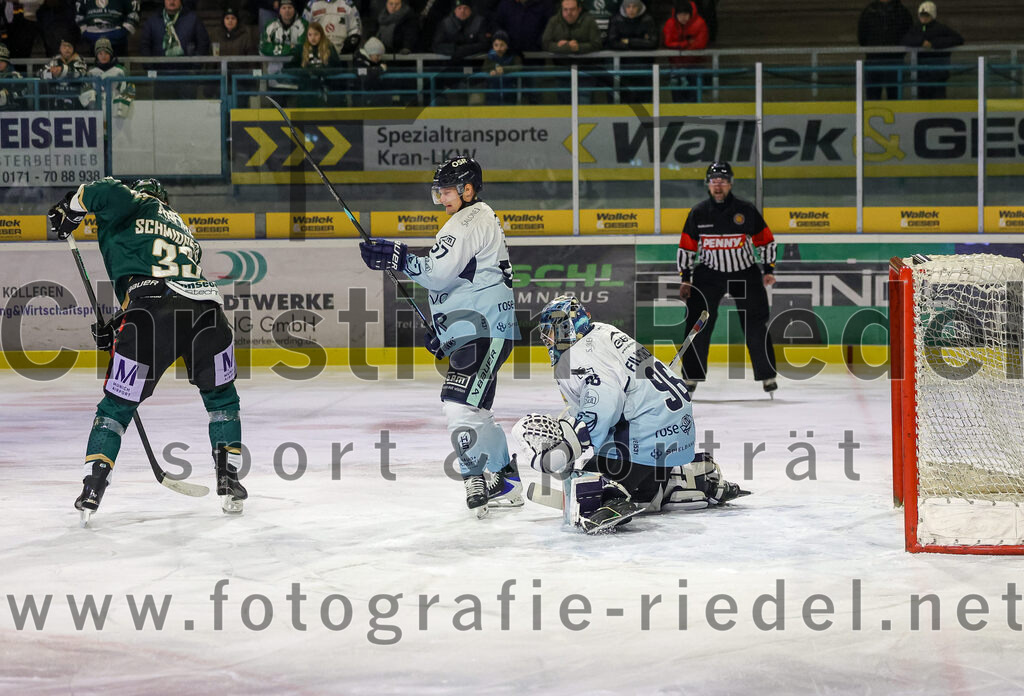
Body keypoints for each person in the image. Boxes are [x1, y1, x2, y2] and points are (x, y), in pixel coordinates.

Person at [46, 177, 247, 524]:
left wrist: (71, 208)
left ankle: (93, 486)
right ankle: (228, 478)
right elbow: (170, 282)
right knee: (222, 398)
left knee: (117, 406)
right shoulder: (184, 230)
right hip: (207, 314)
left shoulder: (136, 201)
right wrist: (121, 324)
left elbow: (104, 191)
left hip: (152, 314)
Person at [358, 158, 522, 518]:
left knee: (456, 403)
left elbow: (437, 274)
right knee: (476, 410)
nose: (442, 196)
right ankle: (506, 480)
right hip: (481, 328)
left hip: (484, 328)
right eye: (439, 190)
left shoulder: (467, 220)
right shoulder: (476, 218)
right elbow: (460, 282)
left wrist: (397, 257)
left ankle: (473, 474)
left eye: (447, 190)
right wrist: (447, 330)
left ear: (467, 189)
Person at [520, 295, 748, 532]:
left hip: (651, 429)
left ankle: (612, 496)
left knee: (591, 474)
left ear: (568, 326)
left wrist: (577, 448)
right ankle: (688, 479)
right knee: (641, 490)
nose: (546, 338)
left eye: (551, 330)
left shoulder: (577, 357)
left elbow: (603, 408)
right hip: (675, 428)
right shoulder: (601, 331)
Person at [676, 161, 778, 395]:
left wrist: (768, 269)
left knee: (755, 323)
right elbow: (686, 247)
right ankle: (691, 377)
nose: (718, 186)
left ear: (730, 184)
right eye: (714, 181)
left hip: (744, 273)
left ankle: (767, 375)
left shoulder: (746, 210)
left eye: (722, 181)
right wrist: (686, 277)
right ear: (708, 185)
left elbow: (766, 240)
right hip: (709, 274)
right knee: (697, 323)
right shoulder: (699, 212)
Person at [902, 1, 962, 99]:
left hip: (938, 72)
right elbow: (905, 39)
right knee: (922, 98)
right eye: (922, 15)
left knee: (938, 98)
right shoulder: (916, 28)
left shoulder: (940, 28)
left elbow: (958, 39)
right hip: (922, 72)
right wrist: (921, 42)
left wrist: (934, 43)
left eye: (927, 16)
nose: (924, 18)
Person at [858, 0, 913, 100]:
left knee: (894, 97)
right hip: (873, 60)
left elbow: (909, 33)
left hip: (895, 61)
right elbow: (862, 36)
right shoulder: (868, 11)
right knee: (873, 98)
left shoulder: (903, 12)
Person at [606, 0, 656, 103]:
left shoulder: (648, 20)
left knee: (644, 96)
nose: (631, 10)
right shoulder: (616, 19)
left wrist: (628, 41)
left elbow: (652, 43)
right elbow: (612, 42)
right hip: (622, 66)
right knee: (626, 97)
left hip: (644, 65)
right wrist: (641, 41)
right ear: (624, 8)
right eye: (628, 7)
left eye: (634, 7)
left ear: (639, 7)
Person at [661, 0, 707, 102]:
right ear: (676, 14)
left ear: (690, 14)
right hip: (676, 65)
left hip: (694, 65)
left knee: (693, 95)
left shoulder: (700, 23)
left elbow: (700, 44)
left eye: (685, 14)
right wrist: (686, 44)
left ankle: (694, 116)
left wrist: (678, 46)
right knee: (677, 96)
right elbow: (667, 42)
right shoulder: (670, 23)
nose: (683, 17)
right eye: (680, 14)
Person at [79, 37, 134, 117]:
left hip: (116, 112)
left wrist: (122, 106)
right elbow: (84, 90)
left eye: (106, 53)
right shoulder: (91, 71)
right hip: (96, 111)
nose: (103, 56)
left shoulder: (121, 70)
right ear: (96, 55)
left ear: (111, 54)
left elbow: (130, 89)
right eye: (100, 53)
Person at [75, 0, 139, 56]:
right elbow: (79, 14)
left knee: (118, 68)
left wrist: (123, 32)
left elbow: (133, 13)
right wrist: (85, 32)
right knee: (94, 68)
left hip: (118, 42)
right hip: (91, 41)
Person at [39, 36, 86, 110]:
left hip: (75, 97)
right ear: (60, 48)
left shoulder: (79, 60)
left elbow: (79, 74)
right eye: (64, 46)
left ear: (73, 48)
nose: (67, 49)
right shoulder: (55, 60)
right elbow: (41, 73)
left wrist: (62, 70)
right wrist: (51, 73)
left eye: (69, 46)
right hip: (57, 98)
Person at [482, 29, 521, 105]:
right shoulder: (489, 57)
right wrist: (491, 69)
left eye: (502, 45)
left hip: (510, 91)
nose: (499, 48)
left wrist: (504, 69)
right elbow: (484, 68)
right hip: (492, 92)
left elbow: (519, 67)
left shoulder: (513, 56)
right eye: (496, 45)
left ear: (507, 45)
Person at [0, 41, 26, 111]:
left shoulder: (15, 74)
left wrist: (7, 95)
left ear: (7, 62)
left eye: (2, 61)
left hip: (11, 110)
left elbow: (22, 92)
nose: (0, 64)